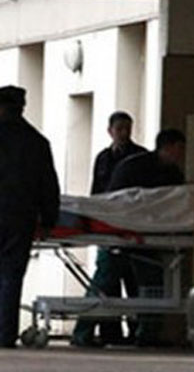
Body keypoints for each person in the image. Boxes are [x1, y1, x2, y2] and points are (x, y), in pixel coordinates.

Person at [72, 111, 147, 347]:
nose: (123, 133)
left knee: (132, 281)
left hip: (130, 224)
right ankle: (110, 332)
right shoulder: (103, 158)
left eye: (127, 128)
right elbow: (96, 190)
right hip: (107, 224)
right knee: (109, 284)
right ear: (110, 131)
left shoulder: (140, 158)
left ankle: (136, 331)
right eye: (119, 129)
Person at [108, 129, 186, 346]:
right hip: (120, 231)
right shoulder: (134, 167)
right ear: (168, 147)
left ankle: (147, 334)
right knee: (107, 281)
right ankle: (85, 333)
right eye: (179, 149)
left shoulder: (172, 173)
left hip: (149, 234)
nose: (181, 154)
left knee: (149, 285)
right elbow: (116, 200)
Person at [0, 85, 60, 348]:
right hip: (20, 217)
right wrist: (48, 220)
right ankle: (4, 334)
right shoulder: (37, 142)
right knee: (11, 276)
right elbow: (48, 185)